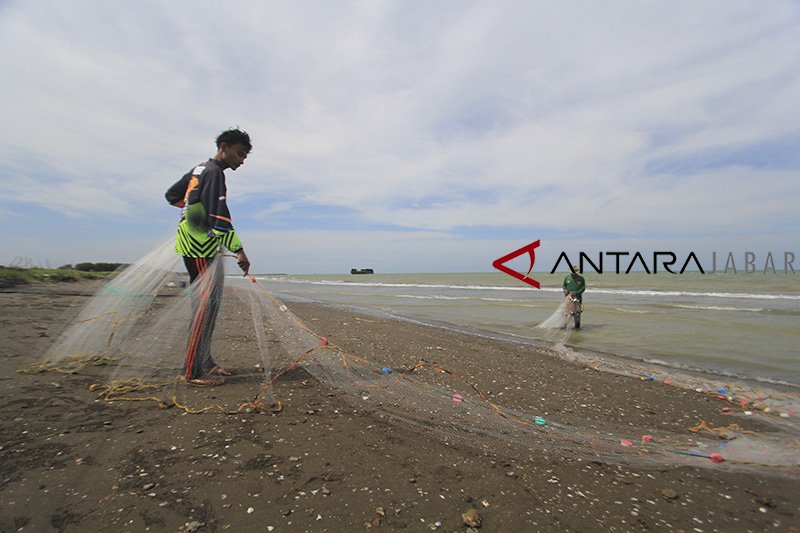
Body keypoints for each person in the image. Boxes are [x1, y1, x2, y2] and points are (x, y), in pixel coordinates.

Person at [165, 128, 252, 385]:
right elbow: (218, 214)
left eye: (245, 157)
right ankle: (191, 371)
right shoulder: (214, 173)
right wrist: (238, 250)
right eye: (239, 154)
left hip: (192, 242)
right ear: (223, 147)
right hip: (199, 246)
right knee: (204, 308)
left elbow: (172, 195)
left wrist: (193, 208)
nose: (242, 160)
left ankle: (205, 361)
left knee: (209, 305)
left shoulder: (199, 169)